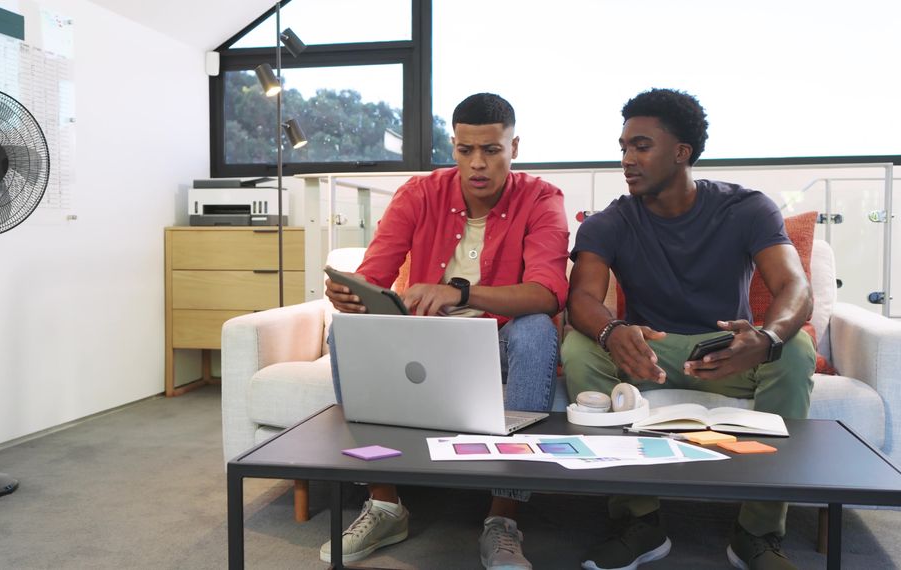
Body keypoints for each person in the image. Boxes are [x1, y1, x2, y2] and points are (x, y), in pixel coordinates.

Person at [562, 88, 816, 570]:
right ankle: (638, 521)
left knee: (796, 347)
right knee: (579, 348)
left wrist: (765, 339)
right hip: (647, 353)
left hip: (725, 354)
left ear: (682, 153)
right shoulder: (609, 221)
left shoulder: (746, 208)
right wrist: (613, 330)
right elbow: (582, 300)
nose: (626, 159)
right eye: (623, 148)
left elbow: (794, 286)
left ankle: (757, 533)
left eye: (641, 146)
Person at [322, 93, 570, 569]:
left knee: (537, 330)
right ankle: (385, 503)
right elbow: (374, 276)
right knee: (344, 330)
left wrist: (462, 292)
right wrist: (353, 297)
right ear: (453, 146)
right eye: (465, 150)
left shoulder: (541, 197)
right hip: (424, 337)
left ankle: (503, 515)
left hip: (494, 342)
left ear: (513, 148)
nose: (477, 163)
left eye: (491, 150)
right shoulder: (419, 192)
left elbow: (548, 293)